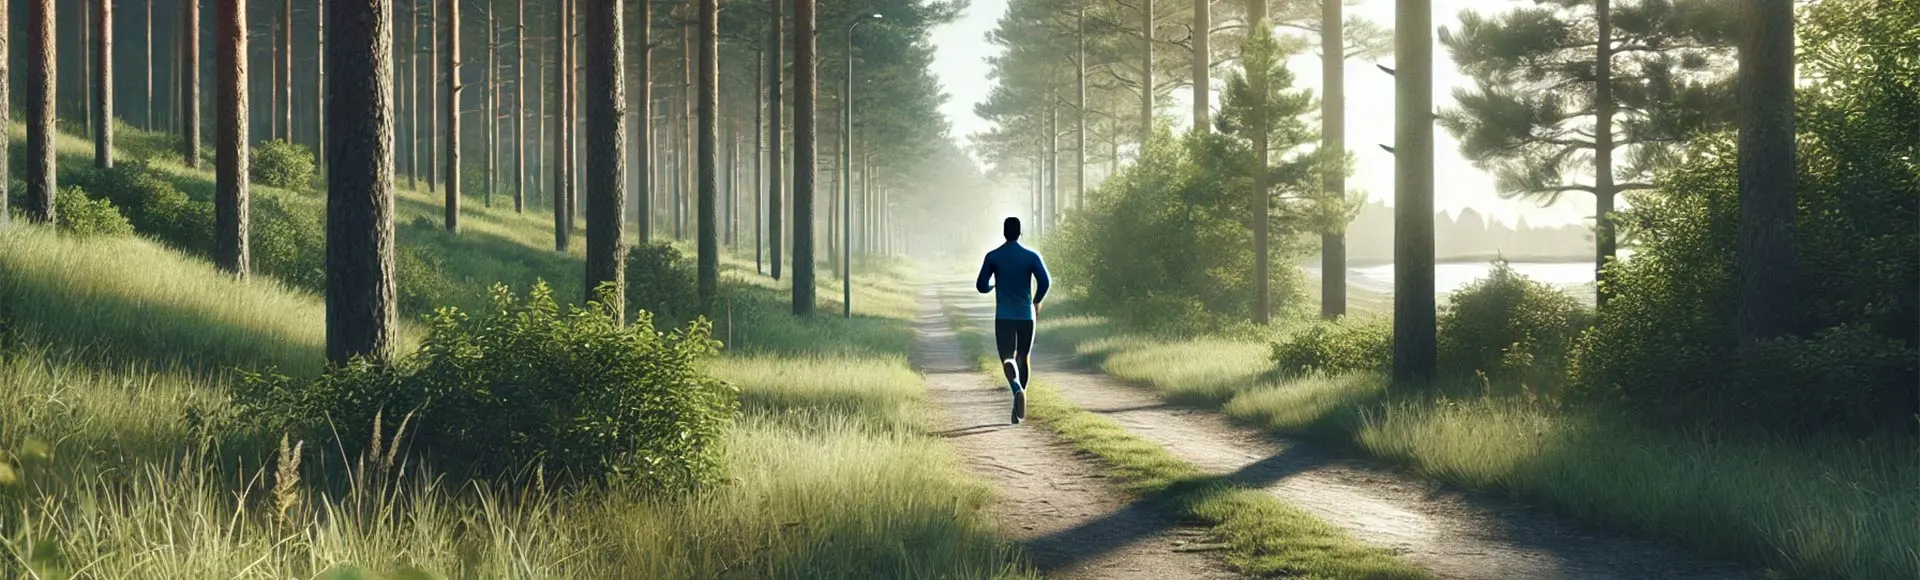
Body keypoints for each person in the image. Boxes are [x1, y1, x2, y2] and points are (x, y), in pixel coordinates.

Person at [976, 217, 1051, 424]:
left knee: (1007, 358)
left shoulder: (994, 256)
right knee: (1023, 357)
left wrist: (993, 285)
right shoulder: (1031, 256)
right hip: (1026, 315)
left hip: (1004, 316)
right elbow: (1045, 282)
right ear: (1020, 233)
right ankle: (1019, 402)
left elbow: (981, 285)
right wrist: (1036, 301)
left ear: (1004, 232)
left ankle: (1016, 389)